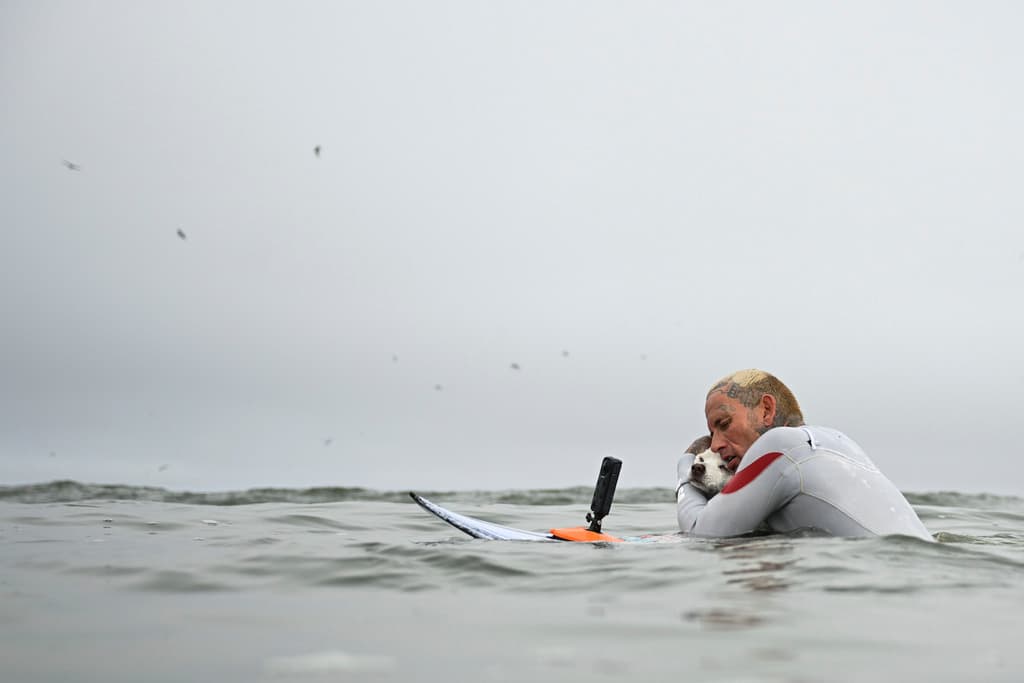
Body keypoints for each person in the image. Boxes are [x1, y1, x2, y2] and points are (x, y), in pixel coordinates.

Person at [676, 369, 932, 540]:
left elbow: (701, 532)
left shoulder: (778, 446)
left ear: (766, 410)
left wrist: (686, 467)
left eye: (724, 424)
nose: (715, 445)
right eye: (712, 433)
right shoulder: (837, 440)